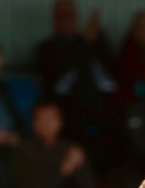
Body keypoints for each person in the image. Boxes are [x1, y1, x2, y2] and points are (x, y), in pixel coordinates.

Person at [36, 0, 118, 142]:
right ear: (54, 20)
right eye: (62, 16)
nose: (68, 20)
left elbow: (112, 70)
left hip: (102, 104)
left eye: (71, 15)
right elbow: (58, 80)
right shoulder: (47, 48)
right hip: (69, 109)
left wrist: (94, 37)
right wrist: (86, 43)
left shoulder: (95, 41)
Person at [12, 102, 94, 188]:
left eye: (52, 119)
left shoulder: (70, 149)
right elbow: (29, 185)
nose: (47, 123)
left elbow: (88, 187)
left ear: (60, 122)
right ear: (34, 123)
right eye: (42, 119)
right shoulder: (24, 150)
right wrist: (65, 168)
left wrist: (78, 167)